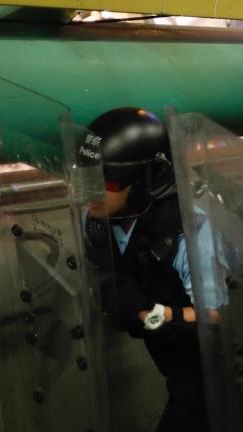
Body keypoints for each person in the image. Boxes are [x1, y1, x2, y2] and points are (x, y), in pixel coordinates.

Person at [82, 107, 208, 431]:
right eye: (87, 175)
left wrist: (151, 315)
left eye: (106, 180)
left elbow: (220, 318)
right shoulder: (98, 221)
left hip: (212, 369)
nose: (91, 192)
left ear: (142, 181)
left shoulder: (191, 231)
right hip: (169, 360)